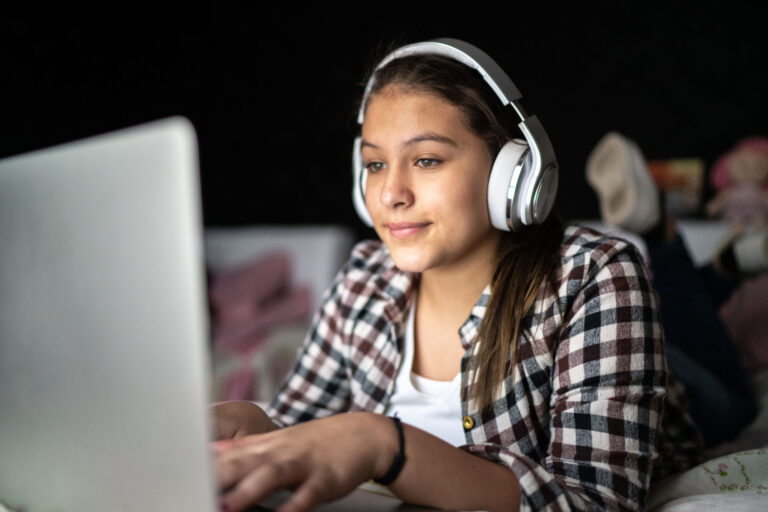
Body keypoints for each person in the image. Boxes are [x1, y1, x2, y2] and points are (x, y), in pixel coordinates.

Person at [211, 39, 702, 512]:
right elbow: (302, 432)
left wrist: (386, 444)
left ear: (511, 175)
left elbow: (599, 501)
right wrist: (260, 426)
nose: (390, 195)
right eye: (376, 164)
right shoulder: (362, 278)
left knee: (713, 355)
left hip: (685, 383)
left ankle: (661, 234)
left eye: (426, 160)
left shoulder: (595, 274)